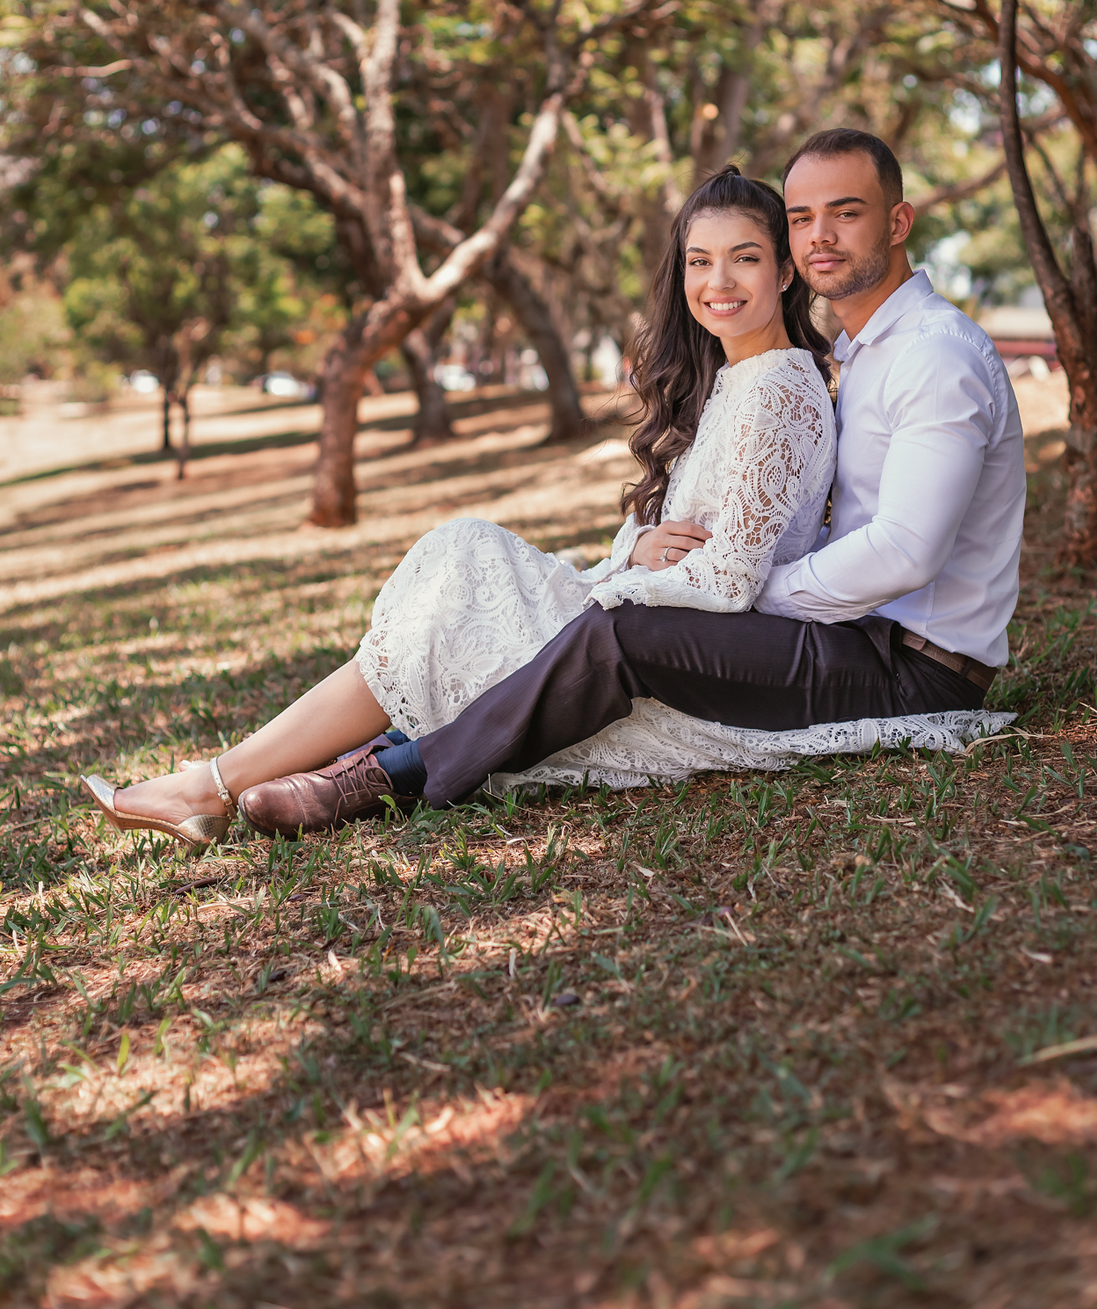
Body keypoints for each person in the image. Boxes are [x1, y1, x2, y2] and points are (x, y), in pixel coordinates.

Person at [226, 125, 1025, 830]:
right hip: (849, 633)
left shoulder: (932, 354)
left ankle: (396, 774)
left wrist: (756, 592)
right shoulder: (850, 356)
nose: (821, 236)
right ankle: (369, 748)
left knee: (619, 629)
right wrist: (661, 559)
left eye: (845, 213)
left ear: (898, 221)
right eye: (804, 216)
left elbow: (906, 553)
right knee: (528, 591)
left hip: (914, 669)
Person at [82, 166, 838, 852]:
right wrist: (632, 553)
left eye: (744, 257)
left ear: (783, 269)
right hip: (645, 618)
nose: (719, 282)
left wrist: (605, 586)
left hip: (675, 664)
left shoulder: (776, 389)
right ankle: (228, 782)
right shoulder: (734, 380)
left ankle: (211, 785)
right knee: (457, 565)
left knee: (466, 565)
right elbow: (681, 535)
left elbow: (733, 581)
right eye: (700, 262)